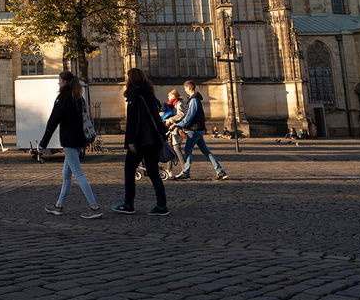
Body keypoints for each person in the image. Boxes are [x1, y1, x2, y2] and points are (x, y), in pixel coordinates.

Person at [40, 71, 104, 219]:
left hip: (69, 140)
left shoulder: (63, 98)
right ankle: (59, 206)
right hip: (80, 140)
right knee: (66, 174)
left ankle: (94, 207)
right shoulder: (79, 97)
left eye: (59, 80)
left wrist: (44, 142)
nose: (58, 83)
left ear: (65, 82)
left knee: (78, 173)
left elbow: (53, 120)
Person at [111, 68, 169, 217]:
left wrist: (130, 141)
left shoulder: (134, 94)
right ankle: (161, 205)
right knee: (154, 173)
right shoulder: (149, 93)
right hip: (153, 140)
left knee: (129, 171)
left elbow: (132, 121)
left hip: (140, 141)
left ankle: (128, 204)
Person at [168, 81, 228, 180]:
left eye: (185, 88)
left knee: (188, 150)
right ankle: (220, 171)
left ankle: (186, 173)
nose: (185, 90)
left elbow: (190, 116)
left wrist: (178, 125)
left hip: (194, 129)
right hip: (197, 129)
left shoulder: (194, 100)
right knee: (206, 151)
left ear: (188, 88)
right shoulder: (193, 99)